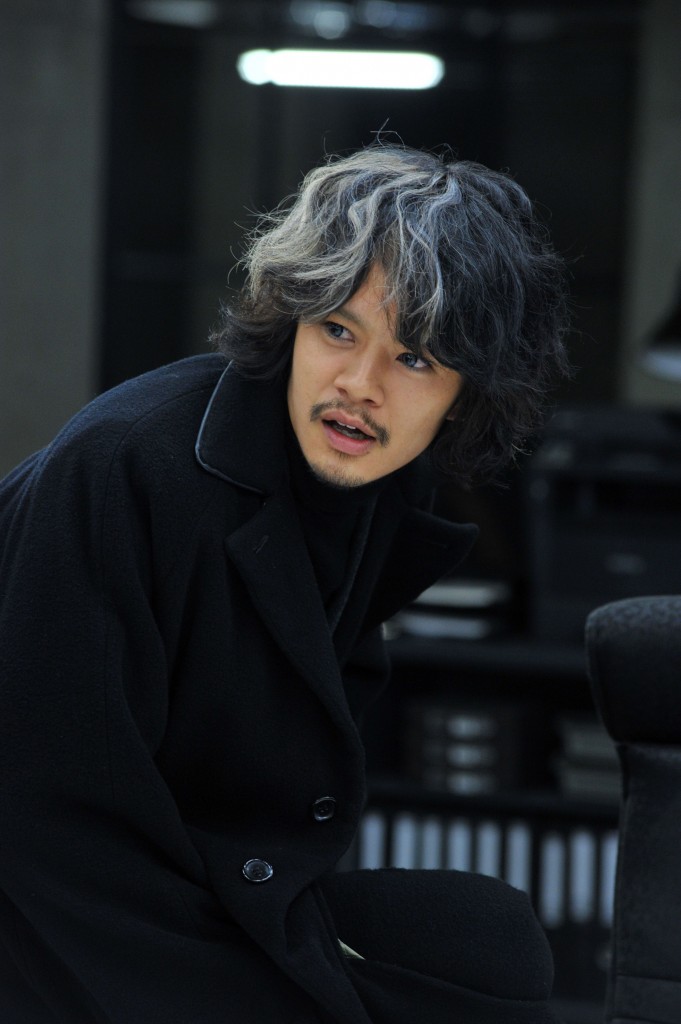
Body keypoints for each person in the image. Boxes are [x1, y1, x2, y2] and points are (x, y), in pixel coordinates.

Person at [0, 143, 570, 1023]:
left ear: (467, 392)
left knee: (489, 946)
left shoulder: (376, 486)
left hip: (213, 879)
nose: (359, 385)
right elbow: (44, 824)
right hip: (57, 903)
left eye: (415, 358)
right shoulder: (125, 466)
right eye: (337, 329)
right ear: (290, 322)